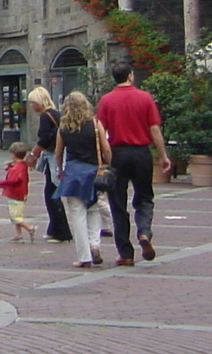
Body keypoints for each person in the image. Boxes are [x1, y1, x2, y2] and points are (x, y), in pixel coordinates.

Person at [96, 61, 172, 266]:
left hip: (117, 153)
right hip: (141, 153)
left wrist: (103, 157)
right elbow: (154, 129)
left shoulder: (106, 100)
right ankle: (144, 232)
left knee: (117, 203)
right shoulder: (145, 97)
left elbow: (100, 131)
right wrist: (163, 155)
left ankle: (125, 253)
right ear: (130, 75)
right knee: (144, 197)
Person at [53, 90, 110, 268]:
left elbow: (58, 152)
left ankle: (84, 256)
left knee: (77, 215)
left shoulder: (64, 127)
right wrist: (109, 165)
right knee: (93, 209)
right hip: (93, 173)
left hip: (73, 174)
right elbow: (106, 149)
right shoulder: (94, 123)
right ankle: (95, 244)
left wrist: (60, 170)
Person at [25, 86, 72, 243]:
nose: (31, 106)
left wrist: (33, 154)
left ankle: (62, 231)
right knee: (51, 190)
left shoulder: (46, 116)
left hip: (52, 155)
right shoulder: (56, 114)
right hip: (56, 154)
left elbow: (45, 139)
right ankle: (53, 228)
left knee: (51, 193)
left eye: (32, 102)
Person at [0, 141, 36, 242]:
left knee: (15, 216)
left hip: (16, 194)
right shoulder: (22, 165)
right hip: (21, 193)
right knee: (17, 214)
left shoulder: (18, 167)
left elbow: (13, 180)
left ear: (13, 154)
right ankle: (18, 234)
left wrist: (1, 183)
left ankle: (30, 228)